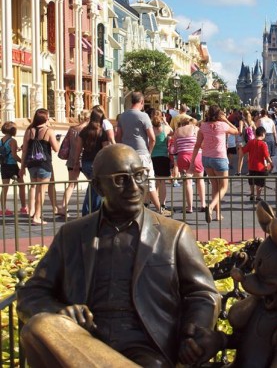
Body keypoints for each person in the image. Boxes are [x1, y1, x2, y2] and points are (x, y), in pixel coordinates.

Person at [17, 144, 223, 367]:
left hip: (147, 347)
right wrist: (60, 313)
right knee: (39, 326)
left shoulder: (174, 234)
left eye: (139, 175)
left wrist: (192, 333)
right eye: (120, 179)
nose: (134, 186)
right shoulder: (72, 235)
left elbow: (203, 293)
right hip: (82, 339)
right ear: (98, 187)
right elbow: (32, 293)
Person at [116, 91, 170, 216]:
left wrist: (122, 149)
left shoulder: (123, 116)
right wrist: (149, 152)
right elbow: (152, 138)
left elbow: (118, 135)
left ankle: (131, 209)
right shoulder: (143, 116)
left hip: (127, 153)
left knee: (130, 182)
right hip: (142, 152)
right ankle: (159, 209)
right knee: (149, 182)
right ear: (142, 102)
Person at [191, 104, 238, 223]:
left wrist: (192, 162)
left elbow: (197, 145)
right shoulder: (223, 125)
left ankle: (218, 214)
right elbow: (237, 131)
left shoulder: (203, 126)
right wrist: (226, 120)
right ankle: (211, 207)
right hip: (219, 158)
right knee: (224, 187)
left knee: (215, 186)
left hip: (206, 158)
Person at [19, 108, 60, 226]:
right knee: (41, 191)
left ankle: (32, 211)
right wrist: (57, 140)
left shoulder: (29, 131)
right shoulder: (48, 131)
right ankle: (37, 216)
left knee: (34, 187)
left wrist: (22, 167)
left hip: (31, 164)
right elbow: (56, 148)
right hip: (44, 164)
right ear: (46, 118)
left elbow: (25, 150)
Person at [73, 107, 109, 216]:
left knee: (94, 186)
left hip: (86, 163)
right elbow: (105, 149)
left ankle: (90, 211)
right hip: (98, 163)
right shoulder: (102, 132)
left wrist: (76, 162)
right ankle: (92, 212)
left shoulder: (84, 131)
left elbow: (78, 148)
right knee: (97, 188)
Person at [56, 110, 90, 218]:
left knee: (71, 184)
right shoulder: (88, 130)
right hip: (84, 159)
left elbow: (67, 144)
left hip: (72, 159)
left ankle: (63, 207)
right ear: (88, 118)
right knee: (94, 182)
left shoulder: (72, 129)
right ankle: (92, 207)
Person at [175, 116, 206, 213]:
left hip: (183, 156)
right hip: (196, 156)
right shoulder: (196, 129)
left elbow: (175, 148)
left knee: (187, 182)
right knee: (200, 180)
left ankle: (190, 207)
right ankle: (203, 204)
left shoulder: (177, 131)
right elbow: (202, 144)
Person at [0, 122, 27, 216]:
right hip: (12, 165)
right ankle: (23, 207)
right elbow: (14, 155)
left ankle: (3, 209)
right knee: (22, 185)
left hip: (4, 165)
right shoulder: (12, 141)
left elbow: (7, 151)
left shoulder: (1, 140)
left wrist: (16, 149)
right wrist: (22, 162)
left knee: (5, 187)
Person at [242, 126, 273, 201]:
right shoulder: (263, 144)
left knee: (251, 181)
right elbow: (267, 156)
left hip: (251, 166)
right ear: (263, 134)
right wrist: (271, 163)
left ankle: (252, 194)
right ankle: (258, 196)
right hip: (260, 167)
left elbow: (243, 151)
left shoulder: (250, 142)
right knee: (259, 182)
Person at [151, 109, 173, 212]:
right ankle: (162, 204)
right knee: (162, 182)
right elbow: (172, 132)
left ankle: (153, 202)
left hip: (152, 156)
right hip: (163, 156)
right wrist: (166, 122)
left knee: (153, 181)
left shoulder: (150, 128)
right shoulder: (165, 128)